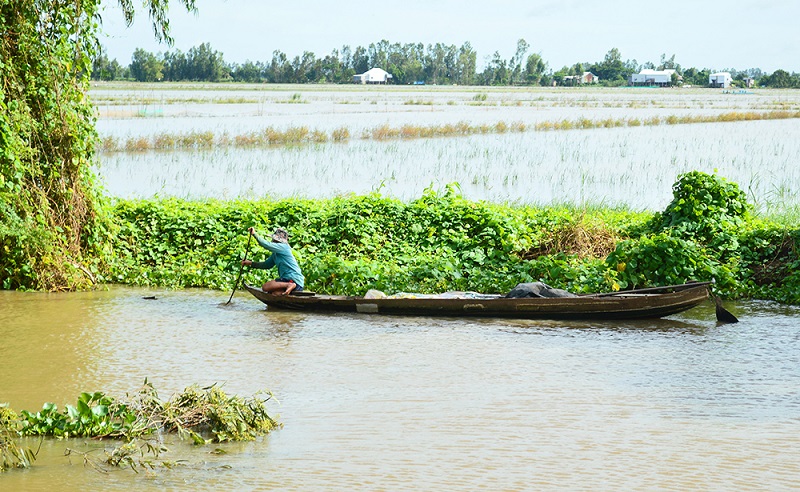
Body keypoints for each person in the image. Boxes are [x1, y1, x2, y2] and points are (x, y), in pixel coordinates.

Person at [242, 227, 305, 295]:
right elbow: (266, 265)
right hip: (291, 282)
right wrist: (250, 263)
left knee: (265, 287)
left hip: (293, 279)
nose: (272, 240)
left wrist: (254, 234)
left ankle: (289, 285)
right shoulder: (275, 254)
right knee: (274, 293)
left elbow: (266, 245)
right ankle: (287, 290)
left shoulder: (284, 247)